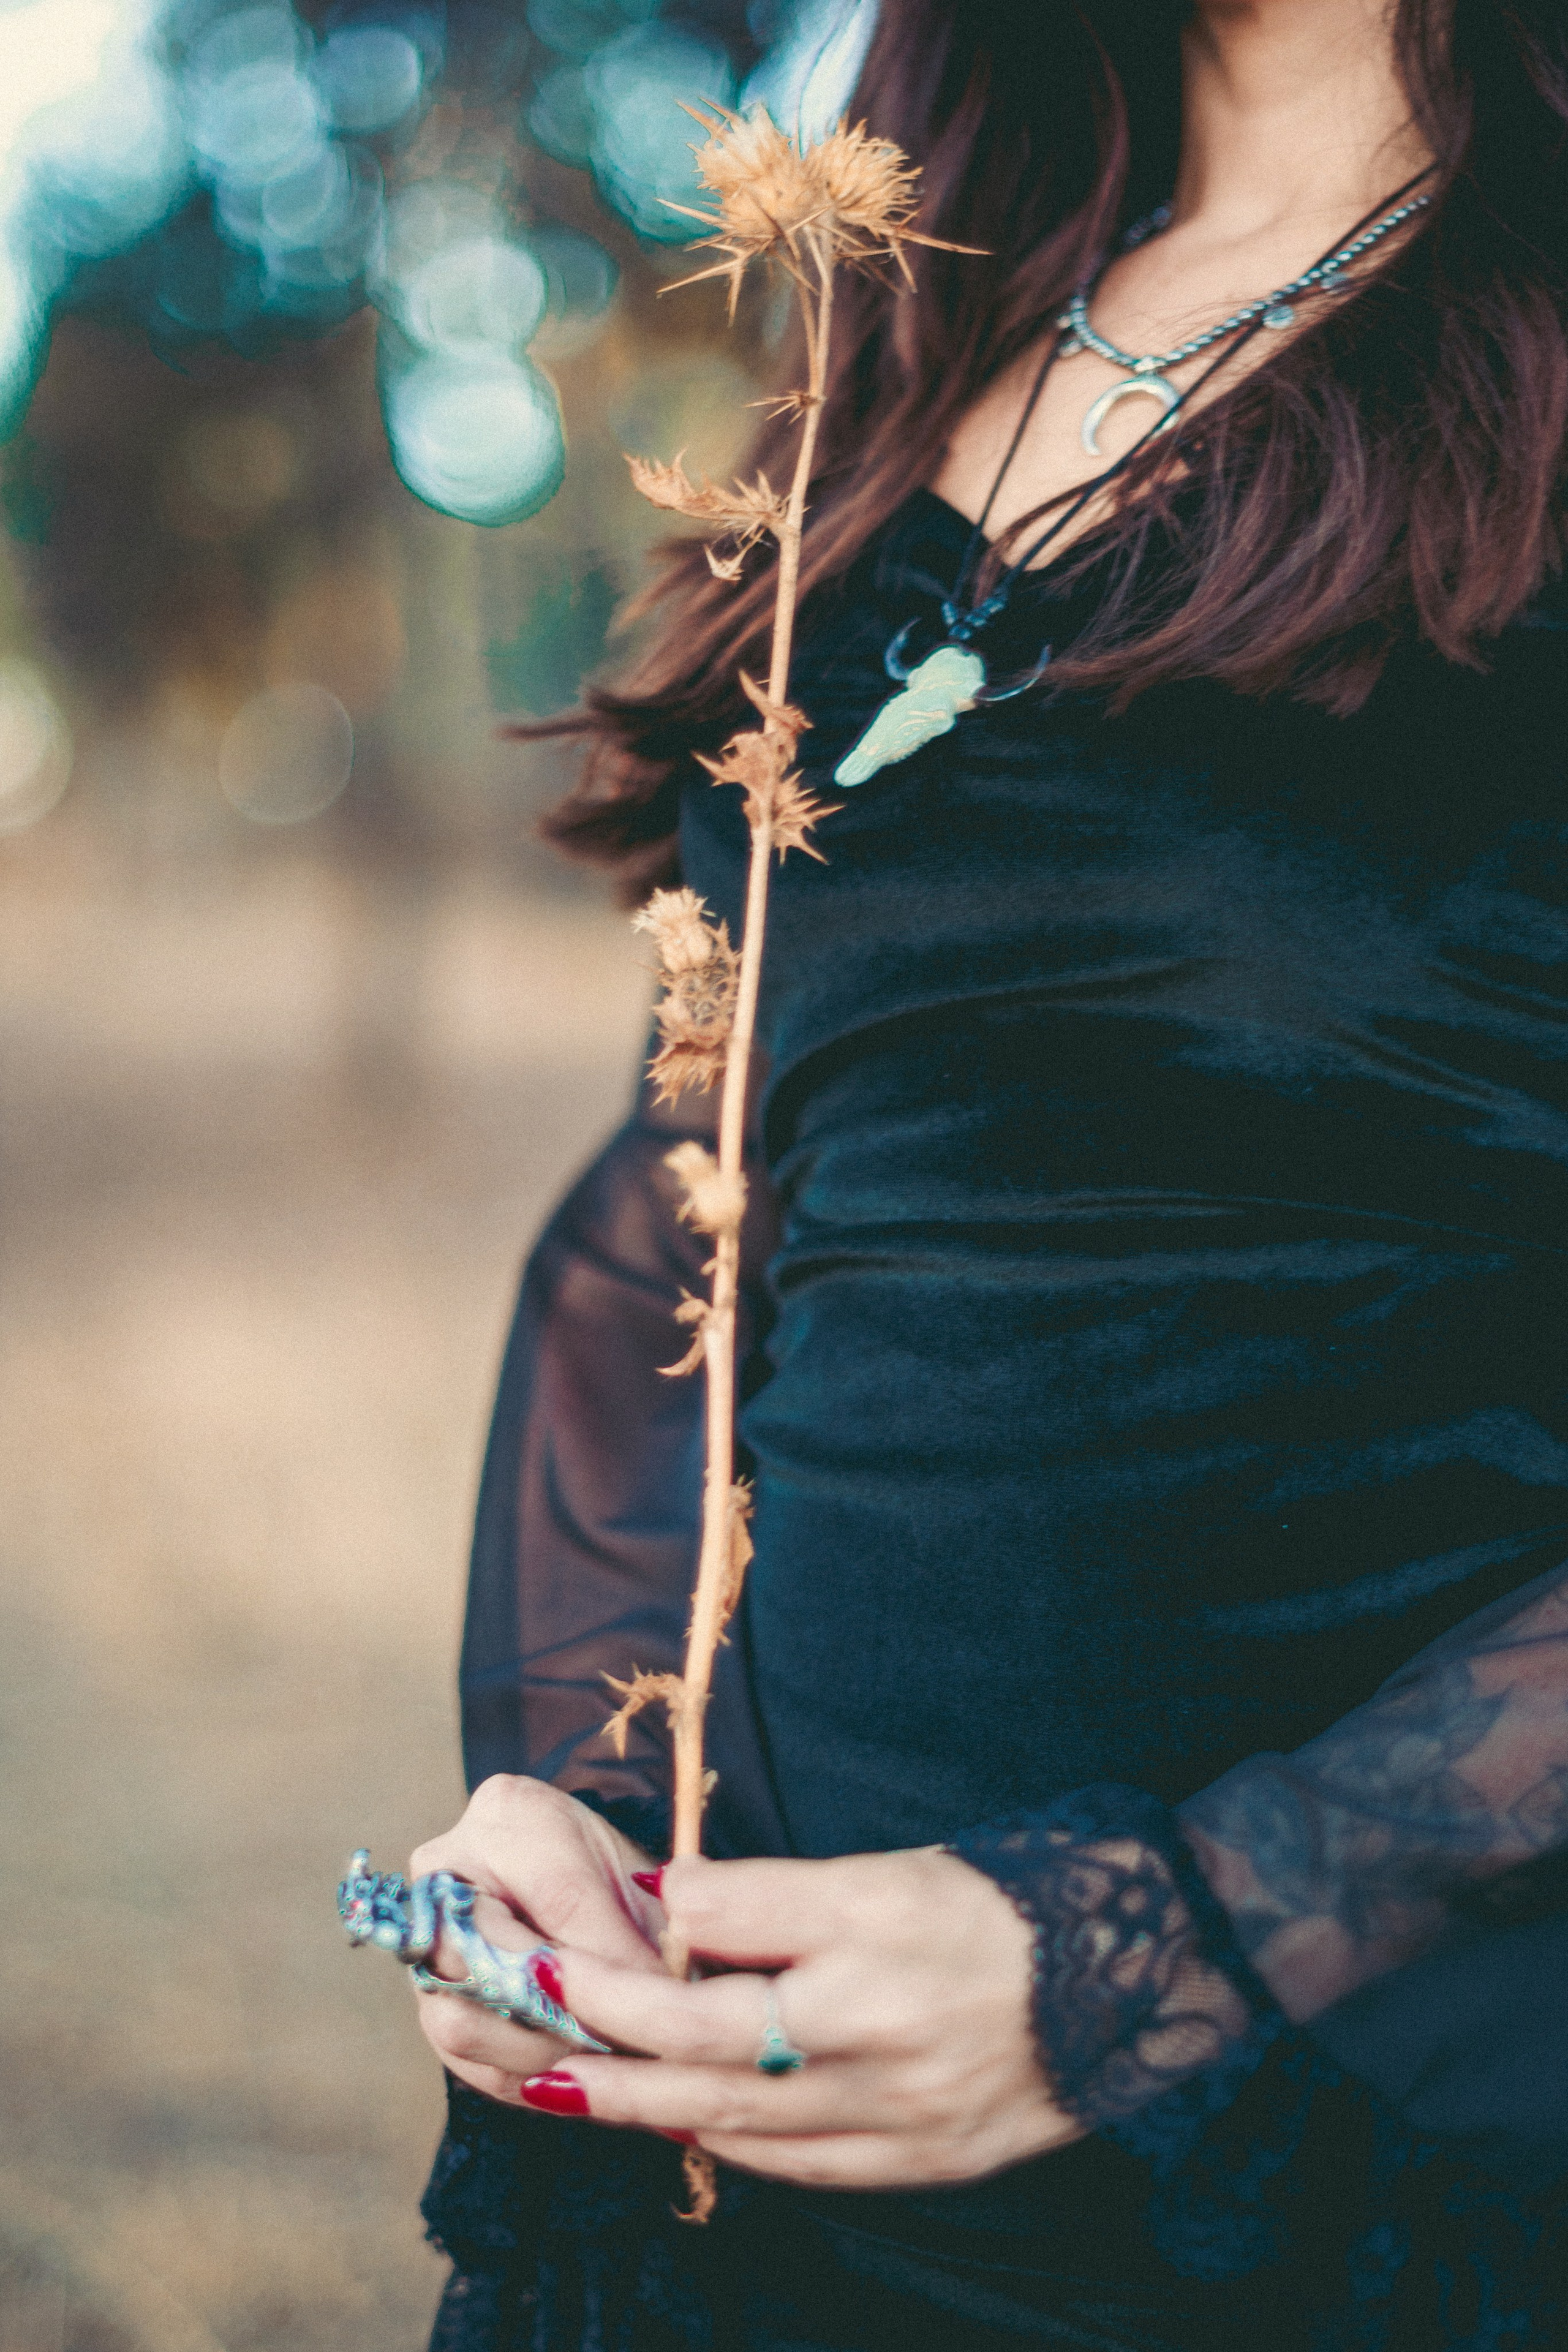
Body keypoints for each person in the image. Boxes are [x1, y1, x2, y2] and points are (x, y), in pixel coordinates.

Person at [405, 1, 1568, 2345]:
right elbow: (714, 1198)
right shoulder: (913, 344)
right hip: (753, 2176)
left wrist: (1173, 1938)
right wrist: (580, 1816)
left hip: (1364, 2165)